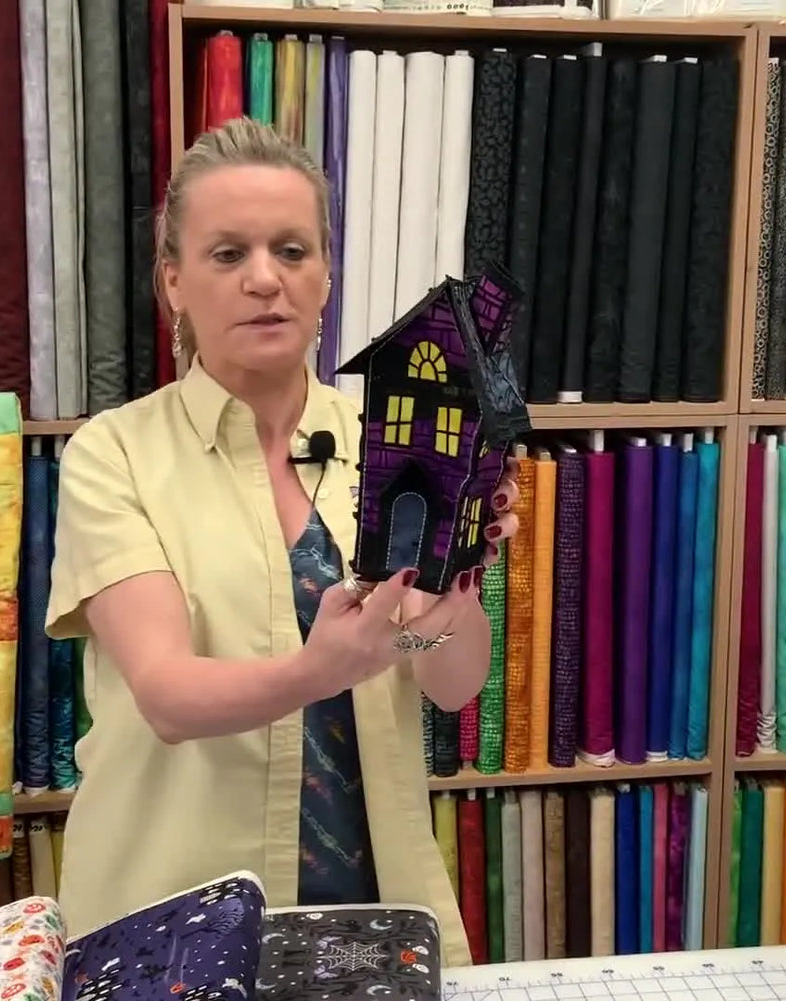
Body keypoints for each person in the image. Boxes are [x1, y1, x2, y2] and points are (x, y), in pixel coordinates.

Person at [45, 117, 517, 965]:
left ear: (325, 275)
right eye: (229, 254)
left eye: (292, 251)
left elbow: (450, 683)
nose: (266, 279)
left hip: (370, 918)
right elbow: (167, 695)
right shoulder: (113, 454)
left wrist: (452, 589)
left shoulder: (389, 436)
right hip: (169, 920)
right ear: (174, 282)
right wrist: (319, 668)